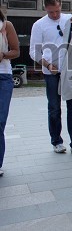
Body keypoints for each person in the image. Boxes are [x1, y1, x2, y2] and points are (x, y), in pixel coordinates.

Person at [29, 0, 72, 154]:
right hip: (51, 71)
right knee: (54, 107)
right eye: (51, 12)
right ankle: (57, 141)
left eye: (57, 11)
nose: (55, 15)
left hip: (70, 69)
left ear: (61, 6)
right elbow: (34, 51)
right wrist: (48, 64)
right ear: (45, 9)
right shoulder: (39, 25)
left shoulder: (69, 19)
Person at [0, 9, 19, 176]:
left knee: (0, 120)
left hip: (2, 76)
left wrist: (3, 54)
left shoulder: (6, 25)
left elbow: (16, 51)